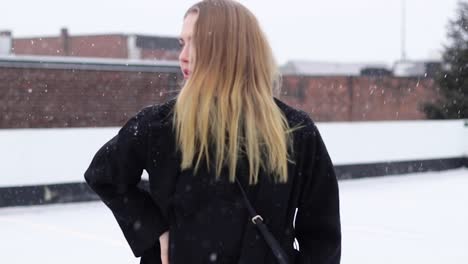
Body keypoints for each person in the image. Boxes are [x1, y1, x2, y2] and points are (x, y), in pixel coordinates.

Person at [84, 0, 341, 263]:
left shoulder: (295, 131)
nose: (182, 55)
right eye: (182, 43)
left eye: (195, 42)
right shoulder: (159, 126)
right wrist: (154, 229)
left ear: (230, 49)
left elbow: (322, 239)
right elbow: (103, 175)